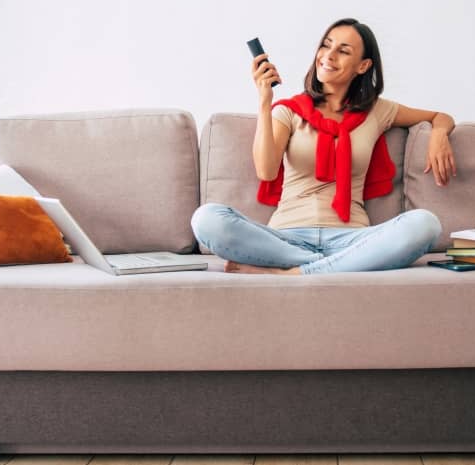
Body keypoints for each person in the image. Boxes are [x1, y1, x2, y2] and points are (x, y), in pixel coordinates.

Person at [191, 18, 456, 275]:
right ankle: (335, 265)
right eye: (326, 45)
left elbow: (439, 117)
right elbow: (266, 171)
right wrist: (264, 99)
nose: (328, 56)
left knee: (425, 224)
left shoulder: (377, 111)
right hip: (285, 239)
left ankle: (295, 273)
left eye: (343, 51)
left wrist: (439, 135)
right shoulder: (289, 112)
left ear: (362, 66)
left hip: (351, 237)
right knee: (207, 219)